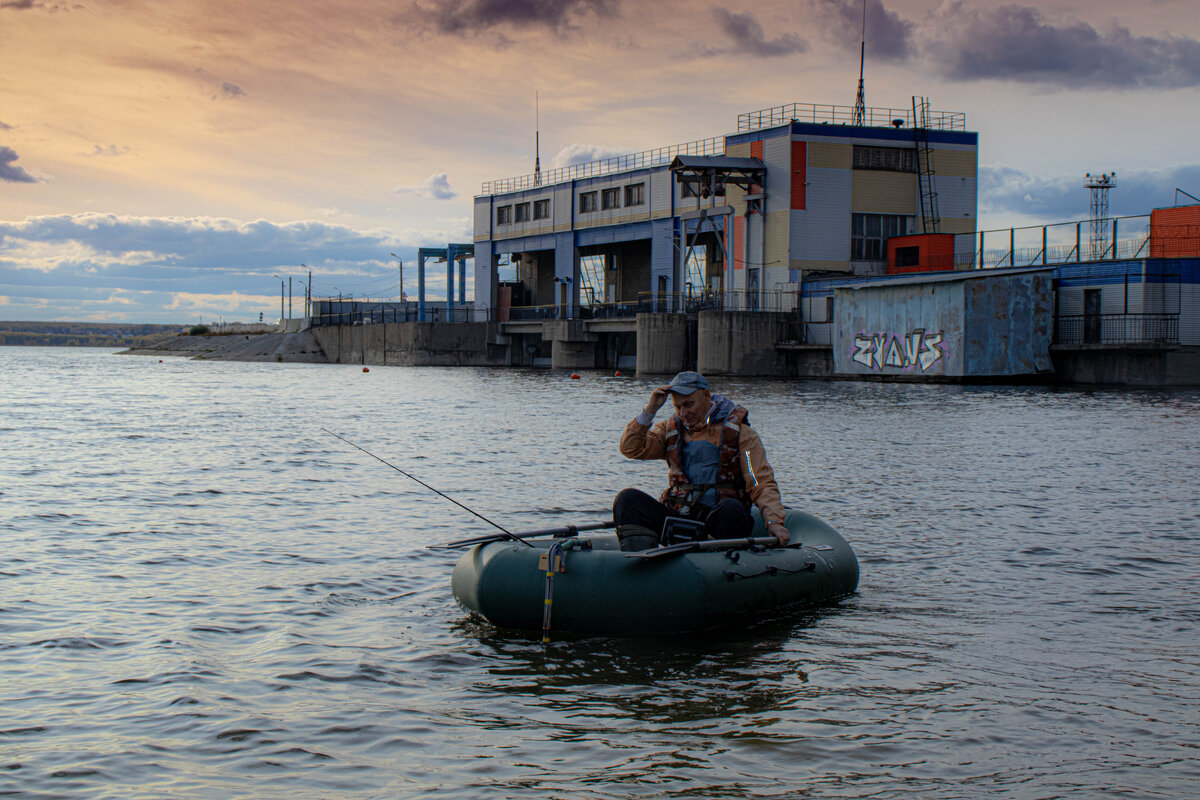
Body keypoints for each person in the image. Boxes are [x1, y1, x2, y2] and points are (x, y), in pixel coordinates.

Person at [614, 370, 790, 551]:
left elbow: (759, 480)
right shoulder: (669, 430)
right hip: (679, 518)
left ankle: (716, 559)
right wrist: (650, 409)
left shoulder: (741, 433)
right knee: (627, 499)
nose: (683, 413)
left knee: (731, 509)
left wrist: (773, 521)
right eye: (678, 406)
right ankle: (640, 564)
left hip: (719, 518)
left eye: (689, 405)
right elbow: (630, 448)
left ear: (706, 396)